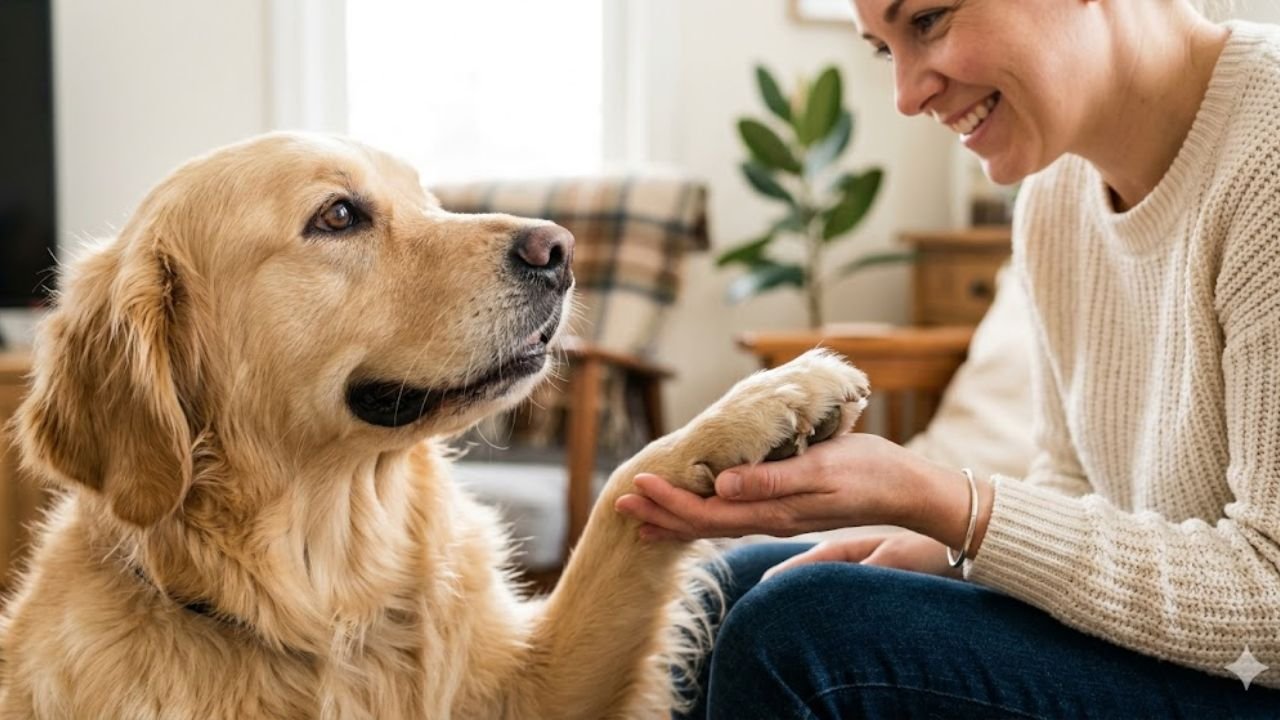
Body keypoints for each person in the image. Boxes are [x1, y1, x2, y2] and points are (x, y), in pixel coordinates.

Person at [615, 0, 1280, 716]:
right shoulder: (1056, 197)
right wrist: (952, 551)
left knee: (802, 633)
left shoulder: (1264, 156)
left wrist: (942, 502)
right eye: (882, 49)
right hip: (1179, 654)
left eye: (928, 19)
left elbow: (1271, 598)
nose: (906, 95)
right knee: (730, 592)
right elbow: (1073, 484)